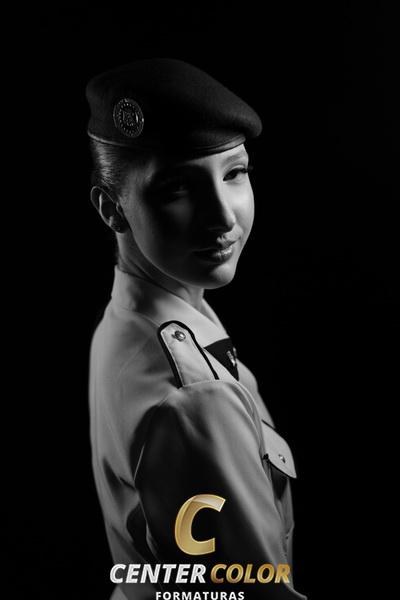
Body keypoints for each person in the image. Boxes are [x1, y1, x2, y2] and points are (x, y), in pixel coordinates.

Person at [87, 58, 307, 600]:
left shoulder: (129, 320)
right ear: (112, 209)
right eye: (177, 188)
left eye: (235, 173)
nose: (223, 217)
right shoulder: (194, 396)